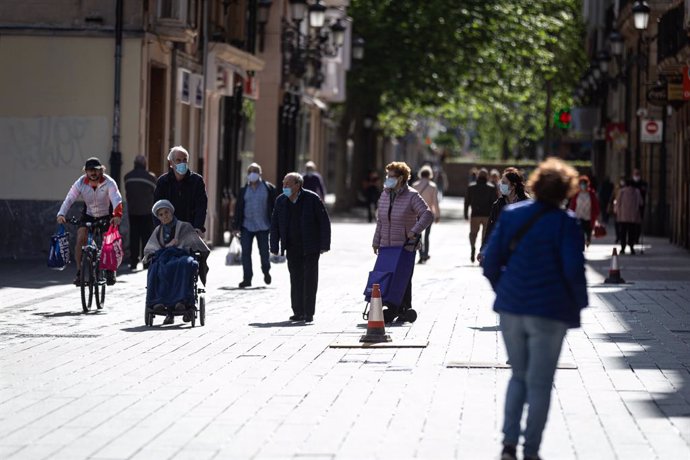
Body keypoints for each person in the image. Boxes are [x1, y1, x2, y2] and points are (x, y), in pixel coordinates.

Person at [482, 158, 588, 460]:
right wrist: (577, 308)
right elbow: (573, 271)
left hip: (512, 307)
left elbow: (490, 262)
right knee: (540, 382)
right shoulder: (567, 223)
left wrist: (504, 289)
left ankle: (508, 444)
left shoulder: (512, 214)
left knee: (518, 376)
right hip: (550, 311)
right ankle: (531, 450)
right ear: (565, 191)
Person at [372, 162, 434, 317]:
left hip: (405, 245)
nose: (388, 179)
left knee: (402, 276)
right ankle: (401, 308)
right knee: (388, 276)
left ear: (401, 178)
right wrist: (376, 241)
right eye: (387, 176)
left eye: (391, 176)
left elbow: (428, 215)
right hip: (386, 245)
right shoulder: (385, 194)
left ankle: (398, 308)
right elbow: (380, 220)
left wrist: (414, 231)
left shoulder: (412, 195)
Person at [270, 172, 331, 323]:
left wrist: (324, 245)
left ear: (298, 185)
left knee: (309, 279)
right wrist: (274, 246)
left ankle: (308, 313)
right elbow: (275, 225)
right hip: (291, 246)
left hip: (310, 245)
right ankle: (297, 311)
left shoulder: (312, 199)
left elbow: (324, 222)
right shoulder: (281, 201)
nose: (284, 187)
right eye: (283, 184)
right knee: (295, 279)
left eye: (288, 184)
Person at [56, 157, 123, 285]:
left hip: (106, 215)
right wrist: (61, 214)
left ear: (101, 170)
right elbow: (70, 198)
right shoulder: (80, 183)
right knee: (81, 238)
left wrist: (117, 215)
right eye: (90, 170)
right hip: (88, 214)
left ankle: (110, 270)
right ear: (85, 172)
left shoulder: (109, 182)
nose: (93, 173)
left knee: (107, 240)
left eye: (96, 170)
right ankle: (79, 272)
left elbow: (116, 199)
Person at [144, 200, 210, 325]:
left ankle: (182, 301)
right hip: (165, 257)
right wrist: (167, 246)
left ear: (171, 212)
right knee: (156, 266)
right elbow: (150, 249)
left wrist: (200, 252)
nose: (164, 216)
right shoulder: (158, 230)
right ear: (158, 217)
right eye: (161, 214)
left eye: (166, 212)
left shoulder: (184, 226)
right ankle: (158, 302)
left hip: (182, 255)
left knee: (186, 264)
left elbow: (197, 244)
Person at [232, 162, 278, 288]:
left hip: (264, 226)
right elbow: (238, 209)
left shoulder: (269, 188)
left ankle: (266, 271)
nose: (253, 174)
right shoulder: (243, 190)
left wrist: (276, 224)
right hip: (246, 226)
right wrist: (235, 226)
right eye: (250, 171)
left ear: (260, 173)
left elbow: (275, 207)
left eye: (255, 171)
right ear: (247, 174)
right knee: (246, 253)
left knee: (264, 252)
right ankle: (247, 278)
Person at [153, 146, 208, 236]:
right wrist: (159, 229)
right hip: (168, 230)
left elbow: (201, 207)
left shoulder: (197, 181)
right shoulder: (163, 182)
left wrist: (198, 227)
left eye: (184, 160)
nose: (182, 163)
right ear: (171, 163)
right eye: (178, 160)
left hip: (190, 230)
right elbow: (156, 207)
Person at [478, 167, 530, 262]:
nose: (501, 185)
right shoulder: (497, 205)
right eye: (501, 183)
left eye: (504, 183)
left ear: (513, 186)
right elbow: (491, 228)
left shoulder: (526, 204)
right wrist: (483, 249)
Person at [124, 155, 157, 270]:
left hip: (133, 211)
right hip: (147, 212)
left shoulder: (127, 177)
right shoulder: (150, 178)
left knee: (134, 236)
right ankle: (146, 262)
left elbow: (128, 193)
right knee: (146, 237)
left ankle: (133, 262)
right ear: (145, 164)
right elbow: (155, 193)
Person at [464, 168, 497, 262]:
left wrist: (465, 214)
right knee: (485, 235)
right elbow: (494, 202)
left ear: (478, 176)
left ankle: (473, 247)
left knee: (473, 234)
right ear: (487, 176)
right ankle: (482, 253)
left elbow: (467, 201)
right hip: (487, 215)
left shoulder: (471, 187)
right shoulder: (491, 187)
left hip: (475, 214)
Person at [412, 165, 440, 264]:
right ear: (430, 175)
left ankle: (421, 254)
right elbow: (435, 202)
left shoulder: (415, 185)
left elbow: (412, 201)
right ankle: (425, 254)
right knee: (427, 235)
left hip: (417, 213)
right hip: (429, 214)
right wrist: (437, 215)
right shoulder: (433, 186)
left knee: (418, 235)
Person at [568, 175, 600, 248]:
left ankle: (588, 239)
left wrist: (597, 214)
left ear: (587, 184)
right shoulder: (576, 194)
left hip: (588, 216)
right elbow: (572, 205)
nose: (583, 186)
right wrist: (570, 213)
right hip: (578, 215)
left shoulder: (591, 194)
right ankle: (581, 246)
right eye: (581, 184)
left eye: (584, 184)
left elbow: (595, 205)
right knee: (580, 232)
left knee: (588, 231)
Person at [614, 179, 643, 254]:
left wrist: (617, 212)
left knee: (623, 233)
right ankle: (631, 247)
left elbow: (618, 203)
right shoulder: (637, 191)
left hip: (623, 217)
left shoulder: (622, 191)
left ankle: (623, 248)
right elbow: (641, 203)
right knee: (632, 233)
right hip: (633, 217)